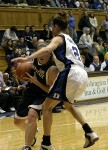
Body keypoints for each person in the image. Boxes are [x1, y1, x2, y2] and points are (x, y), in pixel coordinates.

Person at [12, 11, 99, 150]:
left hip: (70, 72)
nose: (52, 28)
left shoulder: (59, 38)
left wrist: (26, 58)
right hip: (82, 74)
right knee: (68, 105)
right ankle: (90, 132)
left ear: (56, 26)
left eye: (53, 26)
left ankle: (46, 143)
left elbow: (48, 49)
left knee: (47, 107)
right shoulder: (70, 39)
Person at [14, 42, 59, 150]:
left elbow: (51, 91)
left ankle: (27, 146)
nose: (42, 55)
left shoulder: (52, 69)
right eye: (40, 53)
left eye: (45, 53)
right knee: (17, 122)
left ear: (50, 54)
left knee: (32, 115)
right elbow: (24, 73)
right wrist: (21, 75)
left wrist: (36, 82)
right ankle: (33, 132)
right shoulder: (32, 61)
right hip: (30, 92)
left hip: (43, 95)